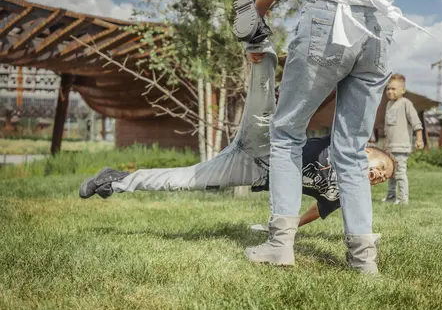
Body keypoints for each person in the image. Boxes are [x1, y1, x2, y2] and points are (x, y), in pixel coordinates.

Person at [79, 41, 396, 231]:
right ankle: (261, 48)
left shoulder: (346, 192)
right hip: (270, 140)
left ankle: (115, 180)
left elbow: (318, 210)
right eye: (382, 166)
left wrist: (289, 230)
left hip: (250, 168)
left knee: (184, 180)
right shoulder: (343, 145)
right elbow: (350, 107)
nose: (380, 175)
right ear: (367, 150)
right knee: (264, 103)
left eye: (384, 178)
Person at [244, 0, 428, 274]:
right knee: (353, 149)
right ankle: (363, 261)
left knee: (287, 132)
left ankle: (279, 246)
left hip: (330, 12)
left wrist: (254, 15)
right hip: (380, 25)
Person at [381, 74, 424, 205]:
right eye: (388, 89)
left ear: (403, 90)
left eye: (393, 89)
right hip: (390, 147)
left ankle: (403, 199)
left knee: (400, 174)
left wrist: (419, 139)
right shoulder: (389, 104)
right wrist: (385, 144)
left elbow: (416, 122)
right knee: (391, 174)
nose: (390, 91)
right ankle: (391, 196)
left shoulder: (406, 103)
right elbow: (387, 127)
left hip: (401, 147)